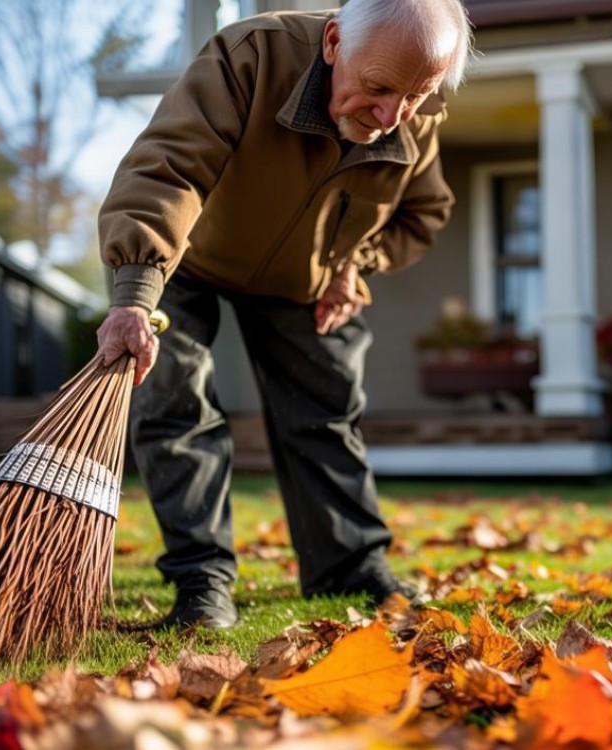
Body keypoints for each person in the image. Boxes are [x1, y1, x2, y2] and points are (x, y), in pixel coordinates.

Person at [93, 0, 472, 629]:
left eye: (416, 95)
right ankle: (202, 583)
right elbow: (169, 168)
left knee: (327, 413)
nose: (390, 117)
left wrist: (356, 263)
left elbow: (423, 212)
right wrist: (134, 293)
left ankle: (349, 567)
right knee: (175, 404)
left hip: (306, 279)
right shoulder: (249, 56)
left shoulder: (413, 110)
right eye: (377, 89)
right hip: (187, 258)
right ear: (331, 44)